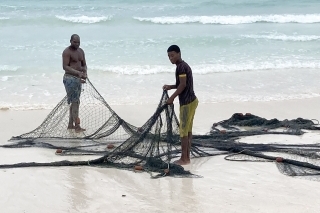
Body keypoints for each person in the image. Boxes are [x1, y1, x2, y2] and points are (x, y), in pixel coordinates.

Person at [163, 45, 198, 165]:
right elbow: (181, 84)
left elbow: (182, 86)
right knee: (188, 130)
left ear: (179, 54)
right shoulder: (182, 66)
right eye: (168, 56)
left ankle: (184, 159)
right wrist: (170, 86)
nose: (170, 58)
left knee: (183, 131)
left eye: (172, 55)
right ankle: (187, 156)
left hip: (187, 103)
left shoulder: (181, 67)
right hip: (192, 101)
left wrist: (171, 98)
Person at [62, 34, 87, 133]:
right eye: (74, 42)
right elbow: (65, 67)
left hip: (78, 79)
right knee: (75, 101)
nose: (76, 44)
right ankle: (77, 126)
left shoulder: (81, 51)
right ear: (70, 41)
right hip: (69, 79)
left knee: (75, 102)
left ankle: (70, 125)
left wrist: (84, 73)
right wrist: (78, 73)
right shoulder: (67, 52)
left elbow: (84, 64)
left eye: (78, 42)